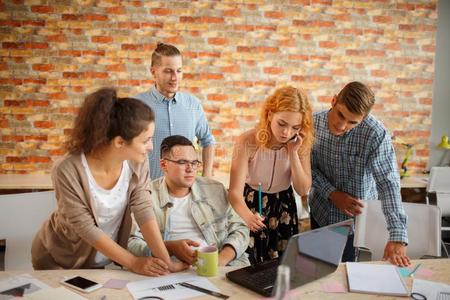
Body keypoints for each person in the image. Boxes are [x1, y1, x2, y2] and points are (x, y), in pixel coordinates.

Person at [31, 88, 188, 276]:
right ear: (120, 142)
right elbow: (85, 227)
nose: (151, 147)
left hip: (97, 263)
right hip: (58, 260)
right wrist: (134, 262)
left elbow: (143, 208)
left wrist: (166, 262)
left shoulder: (137, 162)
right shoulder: (67, 169)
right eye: (145, 140)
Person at [309, 81, 410, 267]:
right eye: (340, 115)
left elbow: (388, 183)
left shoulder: (375, 133)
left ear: (364, 118)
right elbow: (308, 168)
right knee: (318, 270)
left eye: (352, 122)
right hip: (320, 212)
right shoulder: (312, 124)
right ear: (333, 101)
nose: (342, 125)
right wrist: (332, 193)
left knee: (345, 277)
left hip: (356, 223)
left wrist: (397, 235)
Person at [128, 135, 250, 266]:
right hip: (171, 269)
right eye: (182, 162)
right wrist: (169, 248)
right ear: (164, 165)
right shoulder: (146, 195)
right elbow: (132, 241)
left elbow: (240, 229)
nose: (190, 169)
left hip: (221, 267)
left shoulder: (215, 190)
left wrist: (220, 260)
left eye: (194, 163)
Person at [228, 86, 314, 264]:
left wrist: (293, 153)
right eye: (282, 124)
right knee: (249, 263)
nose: (286, 133)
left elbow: (303, 189)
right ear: (269, 115)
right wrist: (248, 217)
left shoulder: (300, 144)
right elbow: (234, 192)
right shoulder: (247, 141)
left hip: (283, 206)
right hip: (250, 205)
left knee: (281, 267)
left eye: (294, 127)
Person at [135, 42, 215, 180]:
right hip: (147, 191)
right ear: (153, 72)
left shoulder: (193, 104)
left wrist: (206, 178)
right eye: (168, 71)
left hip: (186, 194)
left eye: (179, 71)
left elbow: (208, 141)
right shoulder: (137, 104)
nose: (174, 78)